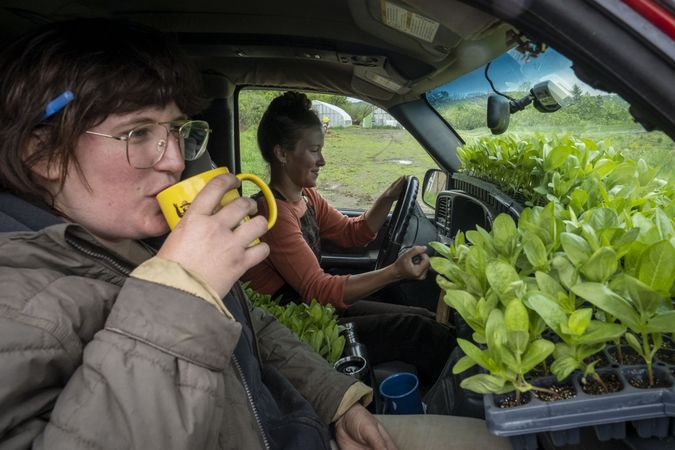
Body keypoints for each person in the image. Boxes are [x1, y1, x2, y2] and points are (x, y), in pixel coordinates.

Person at [0, 19, 509, 450]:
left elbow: (254, 322)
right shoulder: (16, 302)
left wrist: (334, 400)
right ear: (42, 154)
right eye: (138, 134)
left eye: (176, 130)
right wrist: (181, 288)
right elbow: (316, 291)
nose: (175, 160)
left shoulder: (136, 234)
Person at [242, 92, 455, 391]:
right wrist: (395, 272)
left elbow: (352, 233)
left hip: (313, 308)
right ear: (282, 153)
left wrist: (388, 197)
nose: (322, 161)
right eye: (314, 150)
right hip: (293, 328)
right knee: (420, 331)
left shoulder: (306, 196)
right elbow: (318, 290)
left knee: (422, 317)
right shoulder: (272, 214)